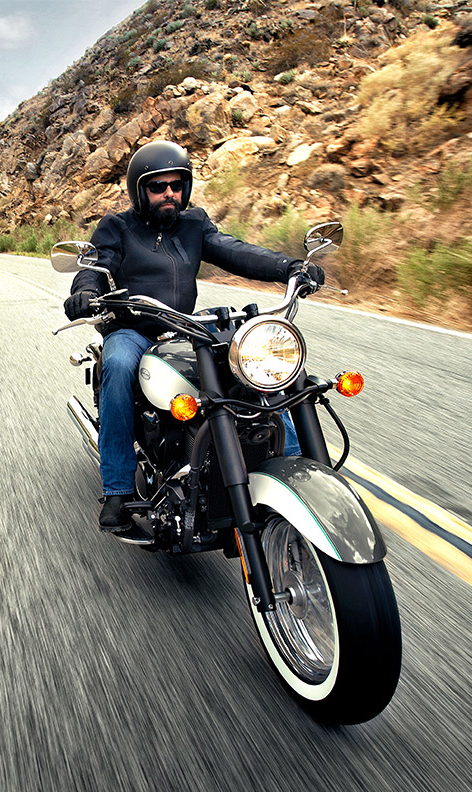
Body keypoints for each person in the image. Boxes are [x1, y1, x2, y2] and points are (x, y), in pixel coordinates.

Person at [63, 140, 323, 542]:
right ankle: (117, 490)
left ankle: (292, 462)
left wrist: (289, 267)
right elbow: (95, 266)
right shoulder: (117, 227)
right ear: (139, 190)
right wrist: (84, 291)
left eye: (176, 185)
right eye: (158, 186)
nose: (169, 193)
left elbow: (234, 250)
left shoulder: (194, 224)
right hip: (135, 328)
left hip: (186, 326)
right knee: (117, 365)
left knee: (255, 360)